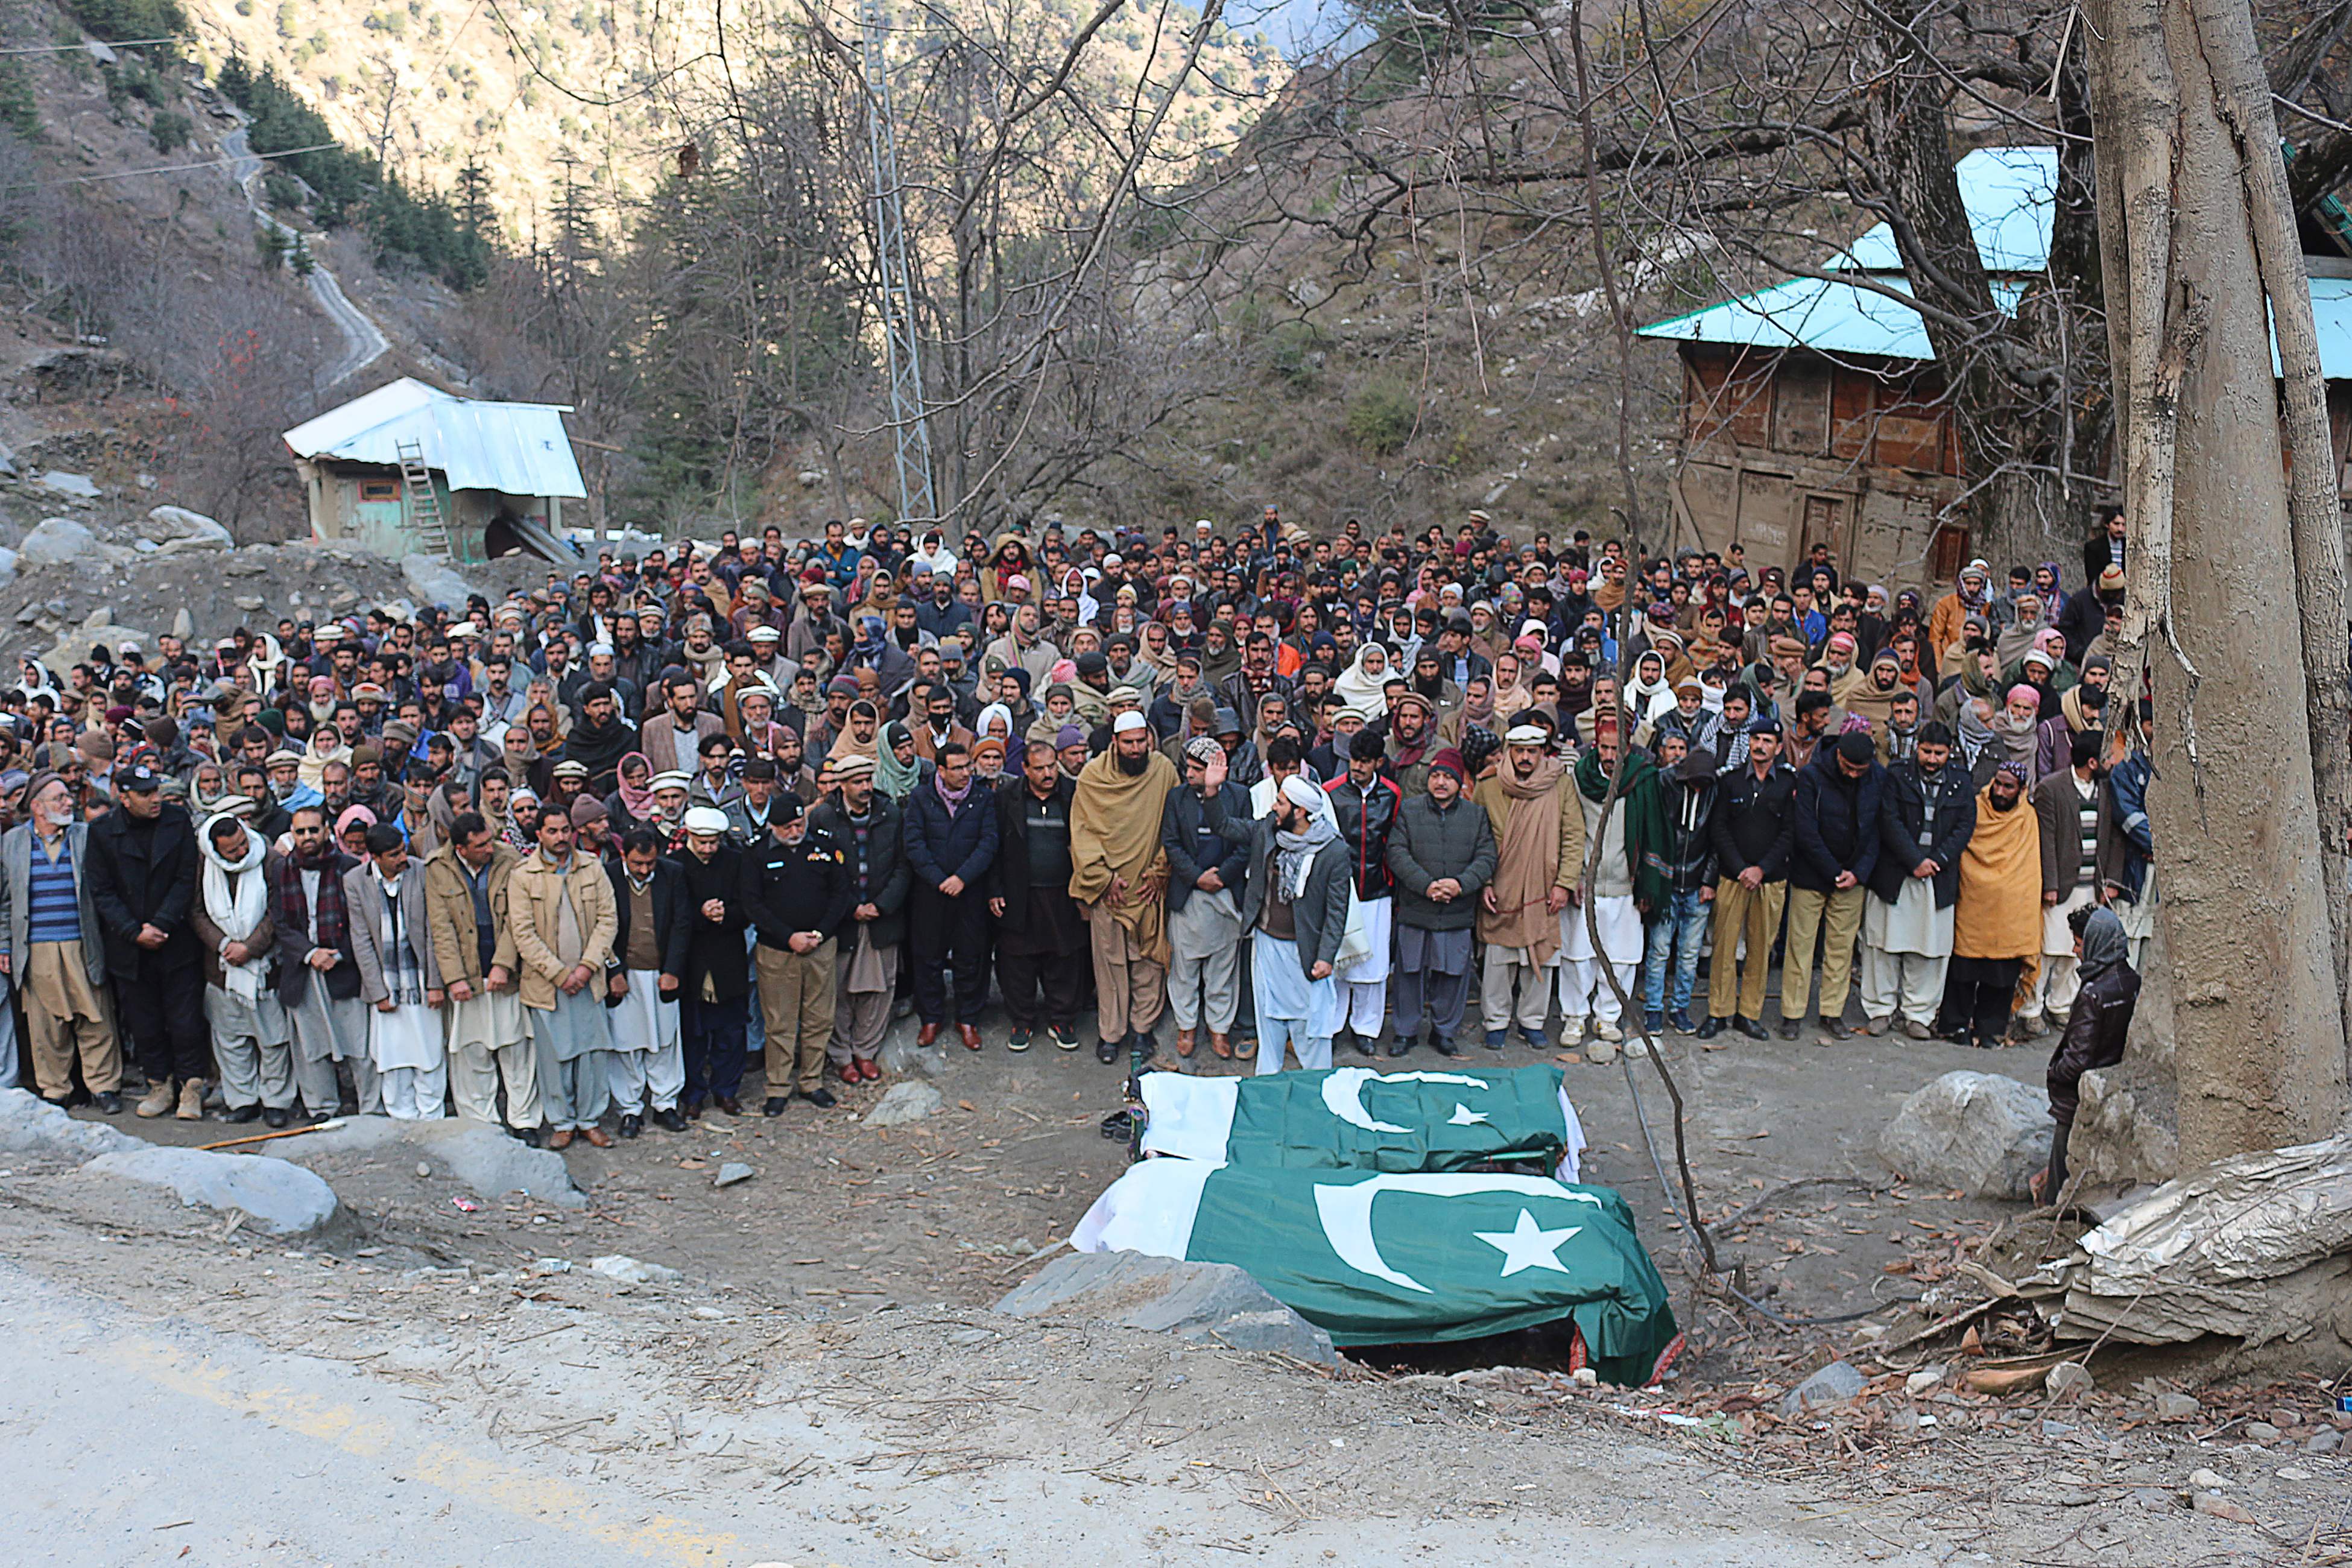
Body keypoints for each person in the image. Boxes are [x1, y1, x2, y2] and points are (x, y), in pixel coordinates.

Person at [87, 764, 210, 1120]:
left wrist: (161, 924)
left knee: (186, 1020)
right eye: (145, 794)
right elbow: (102, 890)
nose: (155, 799)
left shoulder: (177, 821)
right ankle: (159, 1083)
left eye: (156, 791)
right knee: (145, 1022)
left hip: (175, 941)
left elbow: (186, 879)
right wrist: (134, 931)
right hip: (129, 946)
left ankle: (191, 1087)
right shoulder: (101, 832)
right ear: (124, 798)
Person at [0, 771, 121, 1112]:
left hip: (82, 942)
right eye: (60, 799)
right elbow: (6, 901)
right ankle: (54, 1089)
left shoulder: (86, 836)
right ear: (36, 807)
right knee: (45, 1023)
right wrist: (5, 945)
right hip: (36, 947)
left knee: (95, 1017)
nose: (69, 803)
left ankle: (105, 1088)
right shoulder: (12, 842)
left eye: (69, 797)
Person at [422, 811, 542, 1141]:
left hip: (508, 970)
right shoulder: (438, 868)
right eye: (480, 845)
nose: (489, 848)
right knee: (471, 1049)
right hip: (467, 973)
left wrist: (503, 964)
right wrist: (454, 978)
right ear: (461, 848)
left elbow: (517, 918)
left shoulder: (511, 860)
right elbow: (440, 927)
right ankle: (481, 1122)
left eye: (490, 840)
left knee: (517, 1047)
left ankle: (524, 1120)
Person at [1069, 710, 1178, 1065]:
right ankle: (1110, 1034)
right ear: (1115, 742)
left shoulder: (1163, 771)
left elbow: (1175, 823)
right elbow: (1082, 832)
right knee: (1110, 963)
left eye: (1140, 741)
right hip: (1110, 890)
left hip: (1148, 887)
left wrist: (1161, 868)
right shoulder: (1092, 778)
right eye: (1128, 742)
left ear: (1149, 739)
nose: (1135, 749)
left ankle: (1143, 1030)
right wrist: (1102, 878)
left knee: (1149, 960)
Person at [510, 804, 619, 1145]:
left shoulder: (592, 867)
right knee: (554, 1055)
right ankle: (562, 1122)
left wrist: (586, 968)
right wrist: (560, 975)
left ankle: (590, 1119)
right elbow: (523, 933)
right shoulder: (523, 875)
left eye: (565, 831)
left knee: (592, 1053)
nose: (560, 838)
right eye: (552, 831)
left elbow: (607, 919)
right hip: (547, 984)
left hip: (589, 979)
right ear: (539, 834)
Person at [1860, 721, 1975, 1038]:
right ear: (1918, 748)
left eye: (1939, 753)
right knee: (1882, 946)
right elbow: (1889, 819)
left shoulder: (1961, 783)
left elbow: (1965, 826)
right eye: (1927, 751)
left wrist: (1936, 861)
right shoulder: (1897, 775)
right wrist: (1914, 860)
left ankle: (1918, 1014)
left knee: (1930, 950)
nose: (1932, 759)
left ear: (1949, 753)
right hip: (1897, 874)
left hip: (1937, 877)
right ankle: (1880, 1010)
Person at [1234, 773, 1351, 1073]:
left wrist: (1326, 957)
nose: (1274, 807)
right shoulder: (1269, 832)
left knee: (1309, 1029)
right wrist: (1210, 791)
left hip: (1305, 952)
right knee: (1268, 1022)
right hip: (1267, 945)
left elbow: (1337, 910)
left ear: (1300, 811)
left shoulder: (1333, 851)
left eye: (1281, 803)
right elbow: (1227, 827)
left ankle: (1318, 1094)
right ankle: (1267, 1090)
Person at [1473, 724, 1579, 1050]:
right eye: (1518, 751)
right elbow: (1476, 836)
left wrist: (1564, 883)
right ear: (1508, 751)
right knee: (1498, 958)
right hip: (1500, 884)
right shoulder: (1489, 785)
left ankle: (1532, 1022)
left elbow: (1573, 835)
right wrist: (1484, 882)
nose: (1525, 757)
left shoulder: (1559, 783)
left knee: (1541, 954)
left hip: (1543, 886)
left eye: (1532, 751)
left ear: (1542, 752)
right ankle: (1496, 1021)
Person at [1386, 747, 1495, 1057]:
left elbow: (1487, 857)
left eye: (1448, 777)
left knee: (1453, 974)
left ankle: (1444, 1031)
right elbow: (1397, 852)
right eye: (1436, 775)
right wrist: (1427, 885)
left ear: (1459, 782)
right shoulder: (1410, 810)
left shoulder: (1475, 816)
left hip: (1456, 910)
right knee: (1409, 973)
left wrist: (1459, 885)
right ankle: (1406, 1031)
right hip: (1417, 907)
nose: (1441, 783)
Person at [808, 754, 908, 1083]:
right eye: (857, 782)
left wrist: (882, 905)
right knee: (839, 989)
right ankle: (840, 1054)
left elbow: (903, 866)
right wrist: (850, 907)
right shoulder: (823, 817)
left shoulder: (889, 813)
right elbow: (820, 870)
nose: (866, 787)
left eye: (869, 779)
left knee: (879, 989)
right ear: (842, 784)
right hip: (842, 919)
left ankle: (866, 1050)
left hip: (882, 915)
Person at [192, 809, 293, 1126]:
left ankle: (276, 1101)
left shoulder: (271, 859)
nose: (241, 852)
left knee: (273, 1038)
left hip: (264, 965)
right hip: (221, 967)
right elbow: (195, 911)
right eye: (233, 850)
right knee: (230, 1038)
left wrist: (249, 948)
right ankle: (242, 1100)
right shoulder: (204, 864)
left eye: (242, 844)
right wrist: (224, 946)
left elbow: (279, 911)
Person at [2033, 904, 2140, 1203]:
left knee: (2060, 1172)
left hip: (2076, 1096)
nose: (2075, 950)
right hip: (2106, 1088)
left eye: (2079, 943)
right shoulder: (2131, 981)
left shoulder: (2094, 994)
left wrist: (2055, 1072)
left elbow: (2078, 1057)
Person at [274, 804, 375, 1120]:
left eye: (313, 830)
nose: (307, 837)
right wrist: (309, 953)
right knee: (310, 1047)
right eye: (301, 831)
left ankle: (372, 1108)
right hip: (303, 968)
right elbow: (279, 923)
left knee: (360, 1044)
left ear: (327, 830)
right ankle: (322, 1108)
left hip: (344, 966)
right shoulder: (281, 870)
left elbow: (363, 921)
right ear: (292, 834)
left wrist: (338, 954)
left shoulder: (350, 867)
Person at [751, 793, 850, 1112]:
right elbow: (753, 903)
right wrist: (788, 936)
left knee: (819, 1018)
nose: (795, 832)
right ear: (772, 826)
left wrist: (820, 933)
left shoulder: (823, 846)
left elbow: (840, 894)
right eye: (787, 827)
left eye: (799, 824)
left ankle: (812, 1081)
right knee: (780, 1022)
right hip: (778, 951)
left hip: (820, 947)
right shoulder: (757, 852)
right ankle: (778, 1087)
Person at [1781, 731, 1881, 1043]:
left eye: (1859, 770)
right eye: (1849, 767)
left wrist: (1858, 872)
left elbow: (1879, 827)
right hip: (1812, 874)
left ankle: (1831, 1012)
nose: (1852, 774)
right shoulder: (1812, 775)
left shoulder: (1877, 777)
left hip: (1853, 876)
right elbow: (1805, 828)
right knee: (1801, 946)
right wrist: (1833, 870)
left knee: (1840, 949)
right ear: (1839, 756)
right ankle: (1792, 1013)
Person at [991, 741, 1089, 1054]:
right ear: (1025, 769)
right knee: (1017, 960)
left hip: (1064, 892)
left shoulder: (1074, 794)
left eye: (1052, 766)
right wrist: (995, 889)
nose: (1048, 774)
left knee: (1065, 957)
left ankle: (1062, 1019)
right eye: (1040, 768)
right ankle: (1022, 1020)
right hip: (1021, 893)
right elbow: (993, 847)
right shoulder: (1007, 798)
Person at [1160, 734, 1252, 1060]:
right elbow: (1171, 843)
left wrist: (1221, 876)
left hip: (1225, 895)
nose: (1190, 774)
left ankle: (1219, 1029)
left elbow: (1245, 844)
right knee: (1184, 968)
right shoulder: (1176, 798)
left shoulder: (1240, 796)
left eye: (1198, 769)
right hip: (1190, 894)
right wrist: (1197, 876)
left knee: (1223, 969)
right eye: (1189, 767)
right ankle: (1187, 1026)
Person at [1698, 722, 1791, 1042]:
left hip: (1770, 880)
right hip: (1733, 878)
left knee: (1760, 949)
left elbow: (1790, 833)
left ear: (1779, 747)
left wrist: (1761, 869)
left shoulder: (1789, 783)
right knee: (1723, 947)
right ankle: (1718, 1012)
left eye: (1768, 741)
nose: (1760, 746)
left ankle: (1749, 1014)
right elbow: (1719, 828)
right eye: (1756, 739)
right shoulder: (1731, 781)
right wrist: (1740, 868)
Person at [903, 739, 998, 1051]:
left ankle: (967, 1018)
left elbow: (988, 842)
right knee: (928, 957)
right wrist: (940, 879)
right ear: (941, 770)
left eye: (967, 766)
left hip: (969, 893)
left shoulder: (982, 798)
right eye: (957, 768)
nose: (965, 774)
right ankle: (931, 1017)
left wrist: (962, 878)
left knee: (970, 957)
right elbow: (914, 844)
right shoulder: (921, 798)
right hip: (931, 894)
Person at [346, 823, 446, 1120]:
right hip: (386, 983)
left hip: (420, 978)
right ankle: (401, 1117)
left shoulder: (421, 871)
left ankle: (431, 1116)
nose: (402, 858)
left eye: (402, 850)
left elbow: (433, 930)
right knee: (392, 1054)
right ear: (375, 857)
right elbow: (361, 939)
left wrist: (435, 983)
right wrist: (378, 991)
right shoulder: (355, 881)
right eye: (394, 855)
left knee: (429, 1052)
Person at [1939, 763, 2042, 1049]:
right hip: (1973, 902)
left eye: (2008, 786)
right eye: (1998, 783)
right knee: (1963, 970)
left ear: (2021, 790)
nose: (2000, 791)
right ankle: (1954, 1025)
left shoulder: (2027, 818)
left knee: (2001, 976)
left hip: (2010, 911)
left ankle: (1990, 1029)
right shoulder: (1974, 809)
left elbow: (2031, 867)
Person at [1560, 724, 1646, 1058]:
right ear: (1596, 746)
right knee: (1578, 957)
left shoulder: (1640, 780)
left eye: (1617, 749)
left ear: (1628, 749)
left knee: (1621, 958)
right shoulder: (1579, 780)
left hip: (1625, 883)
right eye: (1605, 748)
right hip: (1586, 882)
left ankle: (1608, 1016)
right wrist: (1573, 877)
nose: (1610, 756)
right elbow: (1569, 830)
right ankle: (1574, 1017)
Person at [2018, 730, 2105, 1040]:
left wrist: (2107, 884)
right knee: (2047, 951)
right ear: (2092, 761)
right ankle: (2030, 1009)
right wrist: (2050, 885)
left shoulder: (2105, 789)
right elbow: (2045, 842)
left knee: (2075, 952)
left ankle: (2061, 1005)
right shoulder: (2052, 788)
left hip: (2090, 888)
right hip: (2060, 888)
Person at [604, 826, 689, 1135]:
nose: (644, 870)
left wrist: (673, 970)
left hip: (661, 973)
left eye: (650, 863)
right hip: (625, 975)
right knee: (625, 1044)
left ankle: (665, 1104)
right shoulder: (609, 875)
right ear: (625, 856)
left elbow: (682, 923)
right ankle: (630, 1108)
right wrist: (613, 972)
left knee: (665, 1041)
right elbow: (602, 927)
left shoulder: (673, 874)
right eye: (638, 863)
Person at [1324, 728, 1402, 1056]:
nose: (1357, 767)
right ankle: (1332, 1025)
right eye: (1354, 760)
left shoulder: (1392, 794)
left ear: (1379, 763)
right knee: (1339, 960)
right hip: (1341, 889)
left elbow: (1395, 841)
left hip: (1377, 888)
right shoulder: (1331, 792)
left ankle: (1366, 1028)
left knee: (1373, 964)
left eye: (1365, 762)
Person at [672, 805, 753, 1117]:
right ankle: (693, 1093)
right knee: (694, 1032)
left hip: (728, 956)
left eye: (714, 842)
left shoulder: (734, 862)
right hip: (692, 960)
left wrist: (726, 915)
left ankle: (726, 1090)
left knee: (731, 1029)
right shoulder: (676, 865)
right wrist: (701, 916)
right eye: (702, 842)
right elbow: (674, 913)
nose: (708, 849)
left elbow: (748, 905)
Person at [1633, 741, 1717, 1034]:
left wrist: (1709, 879)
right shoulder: (1664, 784)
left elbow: (1717, 838)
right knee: (1658, 951)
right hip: (1667, 881)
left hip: (1697, 884)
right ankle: (1653, 1009)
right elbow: (1651, 833)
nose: (1698, 789)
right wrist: (1652, 884)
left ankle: (1680, 1008)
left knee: (1689, 953)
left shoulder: (1713, 790)